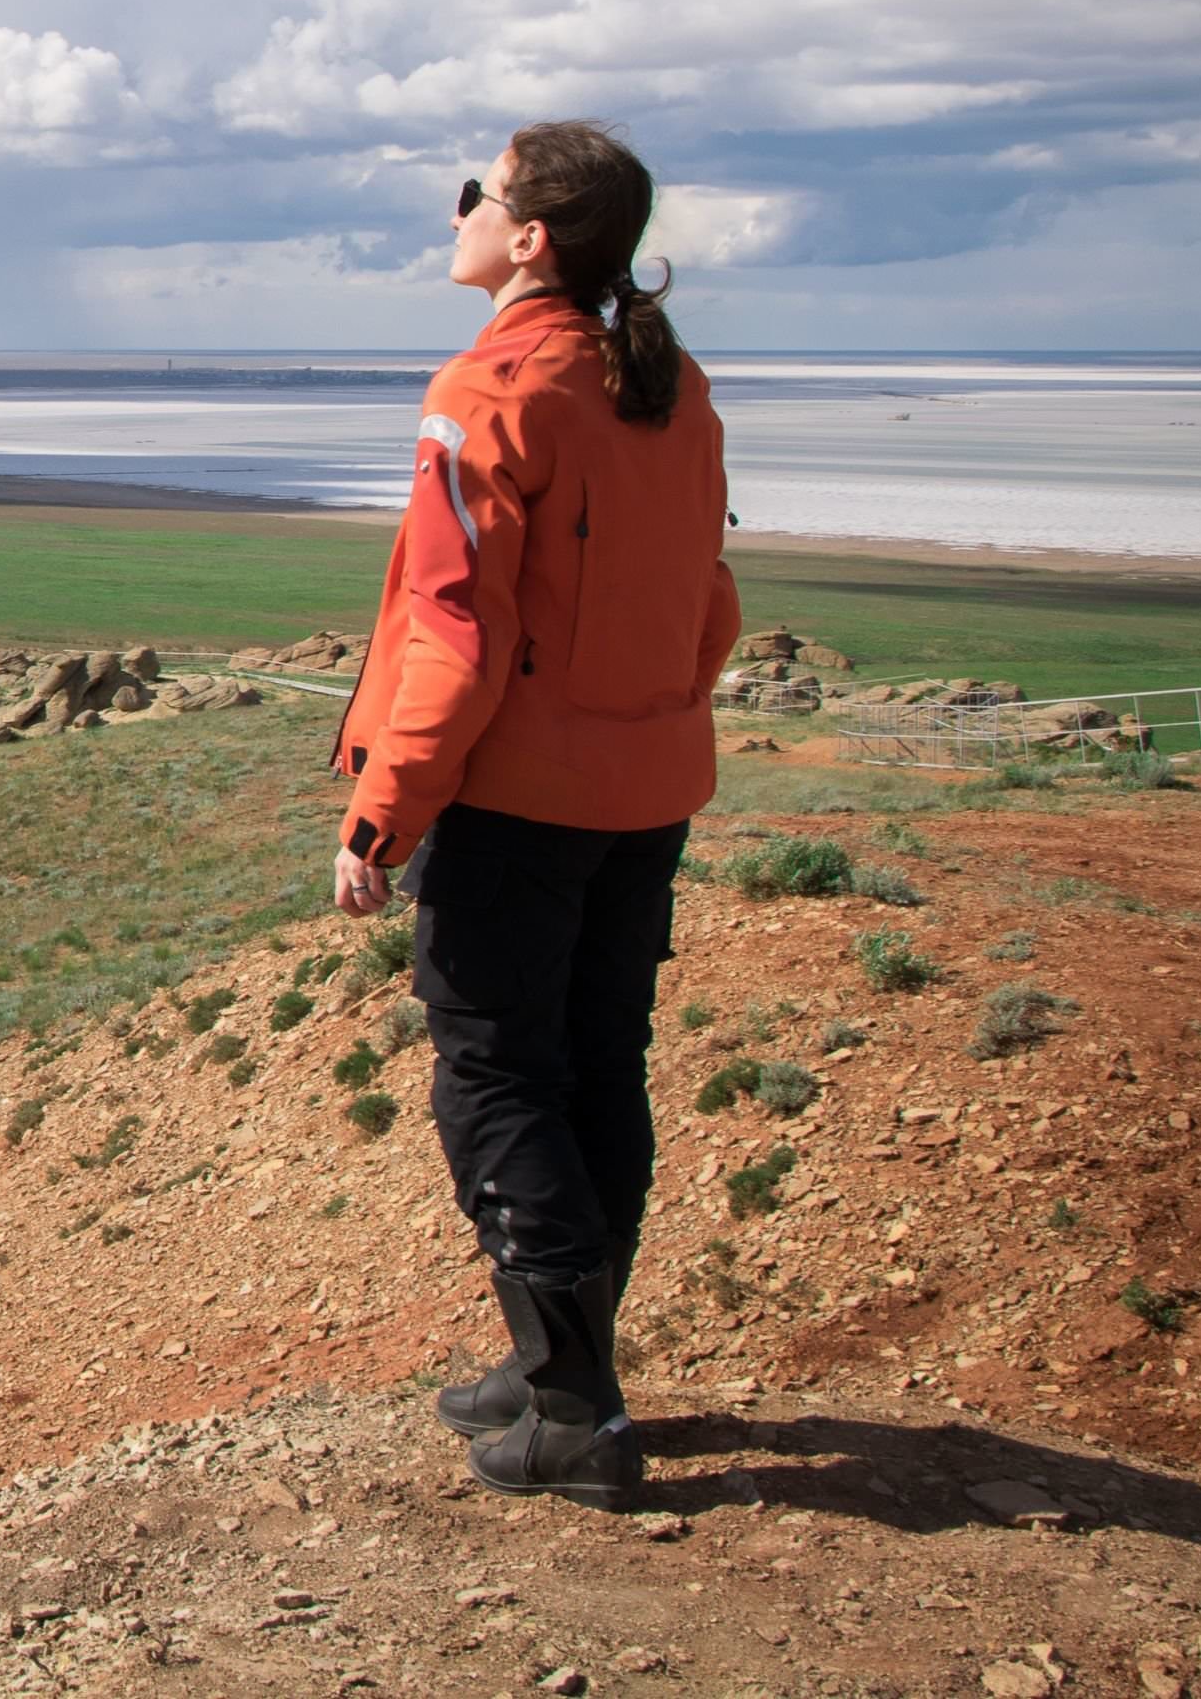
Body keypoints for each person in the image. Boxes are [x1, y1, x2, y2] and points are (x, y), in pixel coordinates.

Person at [326, 120, 738, 1512]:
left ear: (530, 237)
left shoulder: (493, 386)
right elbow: (710, 607)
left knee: (498, 1080)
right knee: (594, 1063)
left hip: (516, 804)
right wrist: (649, 725)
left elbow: (455, 636)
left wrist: (382, 814)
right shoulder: (665, 389)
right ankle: (546, 1363)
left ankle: (574, 1412)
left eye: (475, 199)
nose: (458, 218)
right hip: (647, 793)